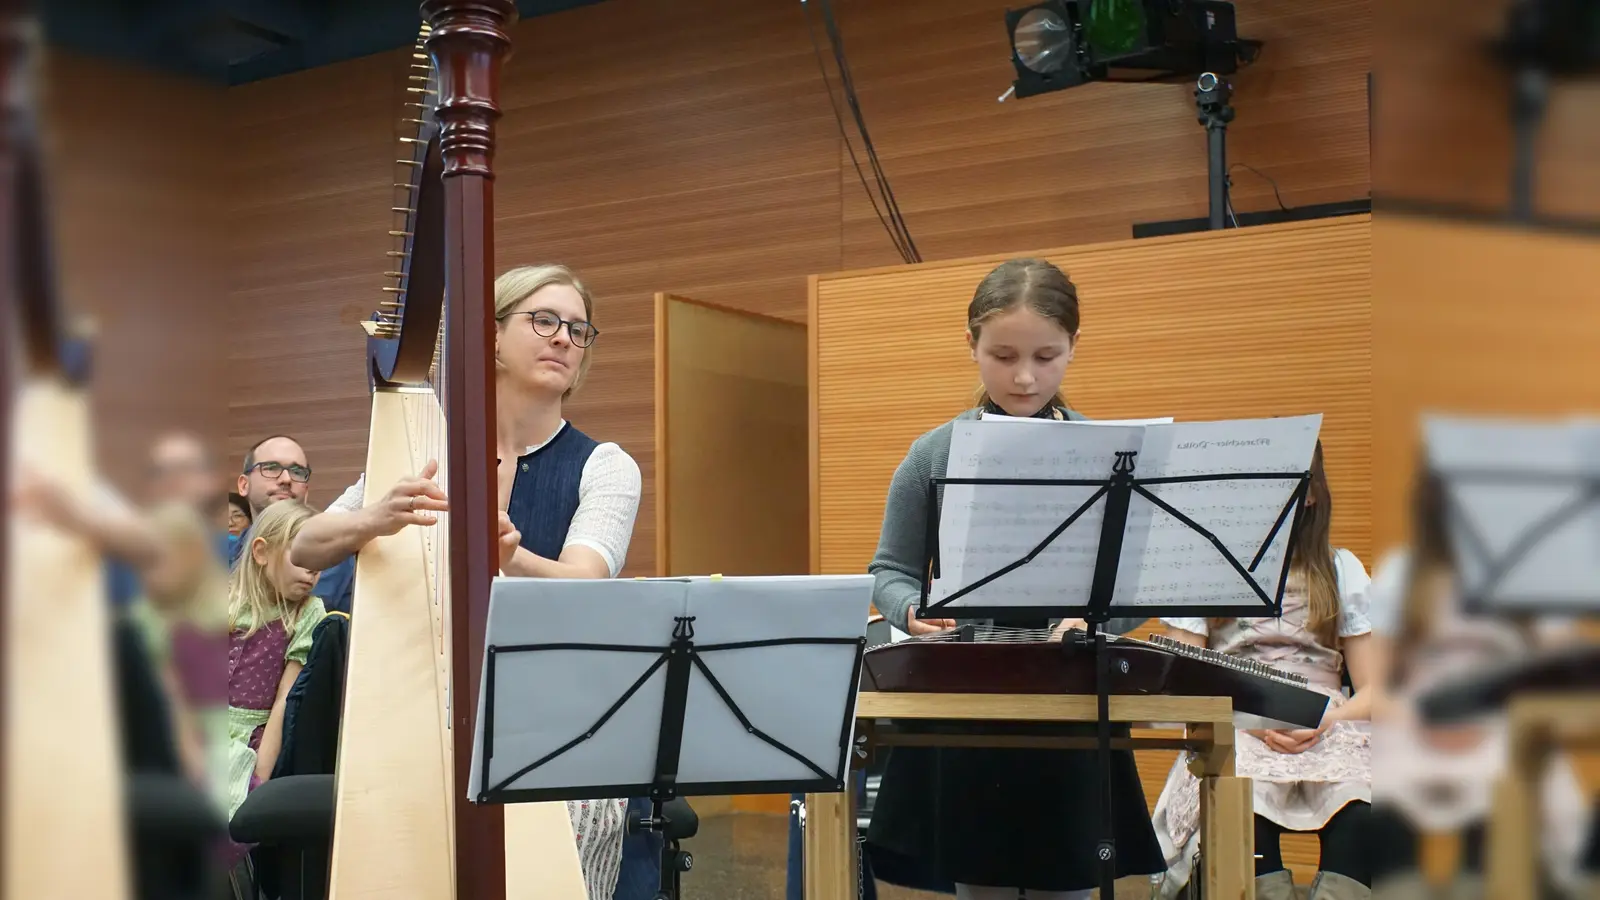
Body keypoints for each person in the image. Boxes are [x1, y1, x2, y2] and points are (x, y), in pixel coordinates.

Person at [289, 264, 645, 900]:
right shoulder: (427, 450)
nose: (563, 338)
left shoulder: (605, 466)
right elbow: (304, 545)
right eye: (544, 320)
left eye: (578, 329)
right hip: (431, 704)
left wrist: (510, 556)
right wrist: (376, 516)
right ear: (491, 337)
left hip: (560, 719)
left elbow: (584, 585)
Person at [861, 257, 1162, 900]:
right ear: (971, 344)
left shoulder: (1114, 453)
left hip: (1073, 695)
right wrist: (911, 609)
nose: (1025, 377)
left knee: (1070, 876)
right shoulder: (933, 453)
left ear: (1074, 347)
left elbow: (1140, 586)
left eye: (1046, 357)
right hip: (967, 694)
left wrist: (1096, 618)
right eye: (1002, 356)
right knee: (980, 877)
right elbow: (890, 570)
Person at [1147, 442, 1375, 900]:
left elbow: (1378, 690)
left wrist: (1326, 719)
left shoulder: (1340, 568)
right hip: (1236, 722)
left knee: (1368, 808)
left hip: (1329, 723)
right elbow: (1180, 683)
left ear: (1312, 494)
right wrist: (1248, 720)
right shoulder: (1204, 572)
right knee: (1239, 802)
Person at [1366, 466, 1591, 898]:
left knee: (1518, 787)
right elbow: (1375, 685)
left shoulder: (1531, 576)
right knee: (1379, 793)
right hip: (1416, 725)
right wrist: (1423, 720)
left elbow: (1557, 671)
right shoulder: (1402, 571)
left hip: (1504, 727)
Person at [224, 500, 329, 866]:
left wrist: (261, 775)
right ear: (261, 552)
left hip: (253, 739)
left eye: (319, 564)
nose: (312, 572)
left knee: (232, 814)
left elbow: (286, 696)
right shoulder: (222, 599)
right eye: (302, 558)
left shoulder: (308, 612)